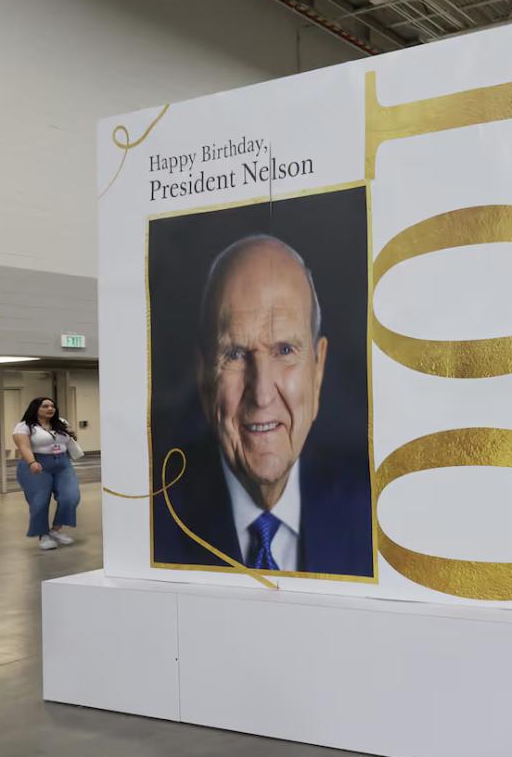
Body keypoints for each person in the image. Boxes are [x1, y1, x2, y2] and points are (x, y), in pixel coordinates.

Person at [152, 235, 371, 576]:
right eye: (236, 354)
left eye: (285, 350)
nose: (262, 394)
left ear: (318, 369)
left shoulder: (375, 514)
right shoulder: (155, 519)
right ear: (204, 377)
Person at [11, 397, 81, 550]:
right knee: (39, 501)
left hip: (62, 463)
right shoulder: (24, 426)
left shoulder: (61, 422)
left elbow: (66, 441)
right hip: (36, 464)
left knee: (71, 496)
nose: (50, 408)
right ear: (35, 408)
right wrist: (32, 462)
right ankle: (43, 535)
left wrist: (70, 434)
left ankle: (56, 530)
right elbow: (24, 447)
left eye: (52, 406)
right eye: (45, 406)